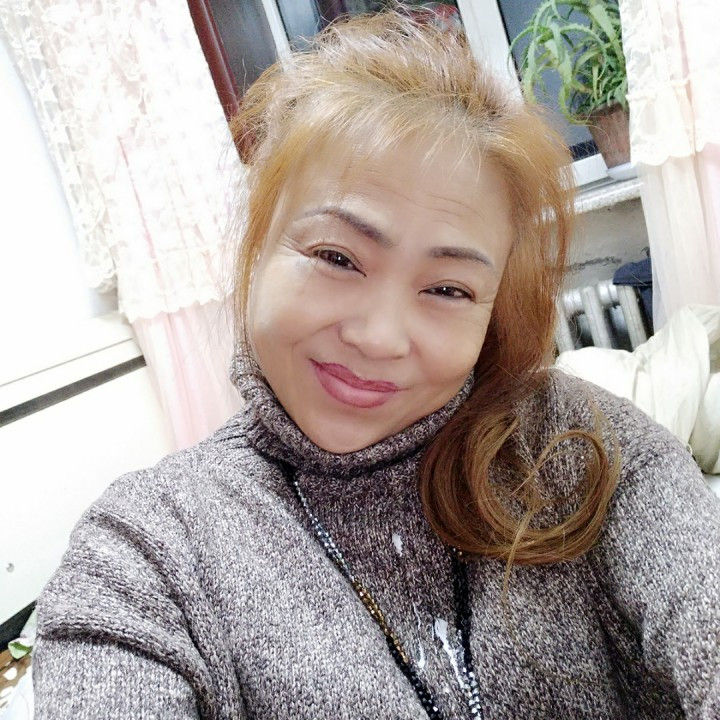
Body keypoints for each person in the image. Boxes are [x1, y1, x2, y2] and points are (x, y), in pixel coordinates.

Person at [32, 11, 720, 720]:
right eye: (336, 257)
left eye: (448, 289)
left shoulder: (577, 444)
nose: (380, 338)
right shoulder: (147, 549)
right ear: (257, 247)